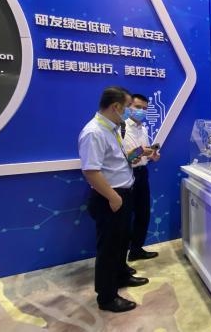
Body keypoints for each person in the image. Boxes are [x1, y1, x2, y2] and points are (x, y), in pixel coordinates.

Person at [78, 86, 149, 313]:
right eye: (128, 106)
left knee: (120, 242)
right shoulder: (94, 132)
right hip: (110, 197)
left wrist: (140, 154)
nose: (130, 111)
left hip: (123, 193)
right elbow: (91, 171)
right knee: (108, 247)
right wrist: (113, 197)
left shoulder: (113, 129)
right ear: (116, 106)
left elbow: (119, 159)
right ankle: (107, 297)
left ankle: (121, 275)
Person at [122, 93, 161, 261]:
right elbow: (125, 156)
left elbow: (143, 153)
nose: (141, 111)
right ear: (128, 107)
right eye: (138, 107)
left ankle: (136, 250)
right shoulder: (121, 128)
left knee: (143, 214)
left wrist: (152, 155)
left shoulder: (143, 129)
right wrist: (140, 152)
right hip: (125, 176)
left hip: (142, 173)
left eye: (145, 108)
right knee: (124, 217)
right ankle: (120, 259)